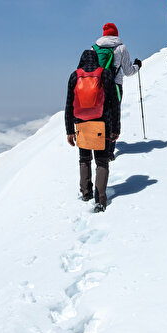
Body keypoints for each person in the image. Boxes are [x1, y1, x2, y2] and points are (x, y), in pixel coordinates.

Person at [65, 48, 119, 212]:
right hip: (102, 124)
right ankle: (100, 199)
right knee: (102, 161)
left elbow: (69, 105)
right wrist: (116, 127)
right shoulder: (105, 74)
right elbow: (114, 103)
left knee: (84, 159)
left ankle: (86, 192)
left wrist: (69, 130)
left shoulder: (75, 76)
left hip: (81, 124)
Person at [92, 22, 141, 159]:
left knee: (99, 115)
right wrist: (137, 66)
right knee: (113, 116)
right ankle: (109, 152)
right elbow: (128, 71)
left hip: (97, 87)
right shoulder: (121, 48)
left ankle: (98, 147)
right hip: (115, 87)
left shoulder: (94, 48)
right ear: (116, 34)